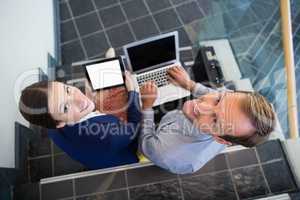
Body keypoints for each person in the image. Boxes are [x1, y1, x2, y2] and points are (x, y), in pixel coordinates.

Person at [139, 65, 276, 174]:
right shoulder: (231, 111)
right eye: (217, 100)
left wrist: (147, 107)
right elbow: (214, 94)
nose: (200, 106)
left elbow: (146, 142)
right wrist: (189, 84)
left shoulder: (165, 154)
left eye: (215, 120)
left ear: (220, 140)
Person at [19, 72, 154, 170]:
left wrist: (92, 104)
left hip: (94, 155)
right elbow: (135, 127)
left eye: (67, 90)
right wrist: (133, 93)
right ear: (59, 123)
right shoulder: (108, 136)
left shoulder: (51, 125)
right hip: (130, 158)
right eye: (65, 107)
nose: (80, 99)